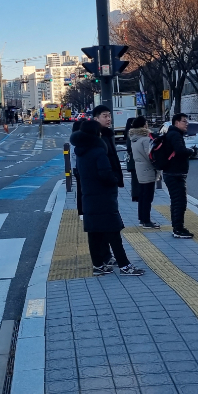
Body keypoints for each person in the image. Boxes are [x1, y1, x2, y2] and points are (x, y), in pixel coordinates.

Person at [71, 119, 144, 277]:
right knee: (113, 231)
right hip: (103, 197)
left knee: (94, 233)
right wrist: (115, 179)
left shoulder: (80, 151)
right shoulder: (98, 151)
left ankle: (98, 266)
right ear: (95, 133)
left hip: (89, 197)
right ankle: (125, 265)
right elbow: (105, 174)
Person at [93, 105, 124, 267]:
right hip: (103, 188)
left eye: (109, 116)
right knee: (108, 224)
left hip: (109, 186)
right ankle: (107, 256)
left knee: (106, 223)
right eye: (104, 116)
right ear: (96, 119)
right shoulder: (97, 138)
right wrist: (112, 179)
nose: (108, 119)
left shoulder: (106, 135)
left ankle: (106, 255)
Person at [163, 113, 195, 239]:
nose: (186, 124)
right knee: (179, 202)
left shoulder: (172, 134)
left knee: (176, 201)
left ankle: (177, 227)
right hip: (174, 174)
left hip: (171, 173)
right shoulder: (175, 135)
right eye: (184, 121)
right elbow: (180, 151)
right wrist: (191, 151)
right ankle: (178, 229)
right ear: (177, 123)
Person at [129, 116, 160, 229]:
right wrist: (158, 164)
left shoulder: (134, 138)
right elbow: (150, 155)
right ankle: (146, 220)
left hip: (140, 169)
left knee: (142, 196)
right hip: (148, 169)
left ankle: (142, 219)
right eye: (146, 123)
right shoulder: (146, 139)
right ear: (144, 125)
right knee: (148, 196)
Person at [124, 118, 141, 203]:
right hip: (135, 160)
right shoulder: (132, 134)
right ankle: (136, 194)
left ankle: (135, 194)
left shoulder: (129, 133)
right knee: (136, 178)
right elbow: (129, 147)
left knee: (135, 178)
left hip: (132, 160)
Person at [70, 120, 83, 218]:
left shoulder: (73, 139)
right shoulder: (77, 139)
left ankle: (81, 211)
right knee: (82, 189)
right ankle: (82, 210)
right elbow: (74, 155)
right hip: (79, 167)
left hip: (76, 167)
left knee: (80, 189)